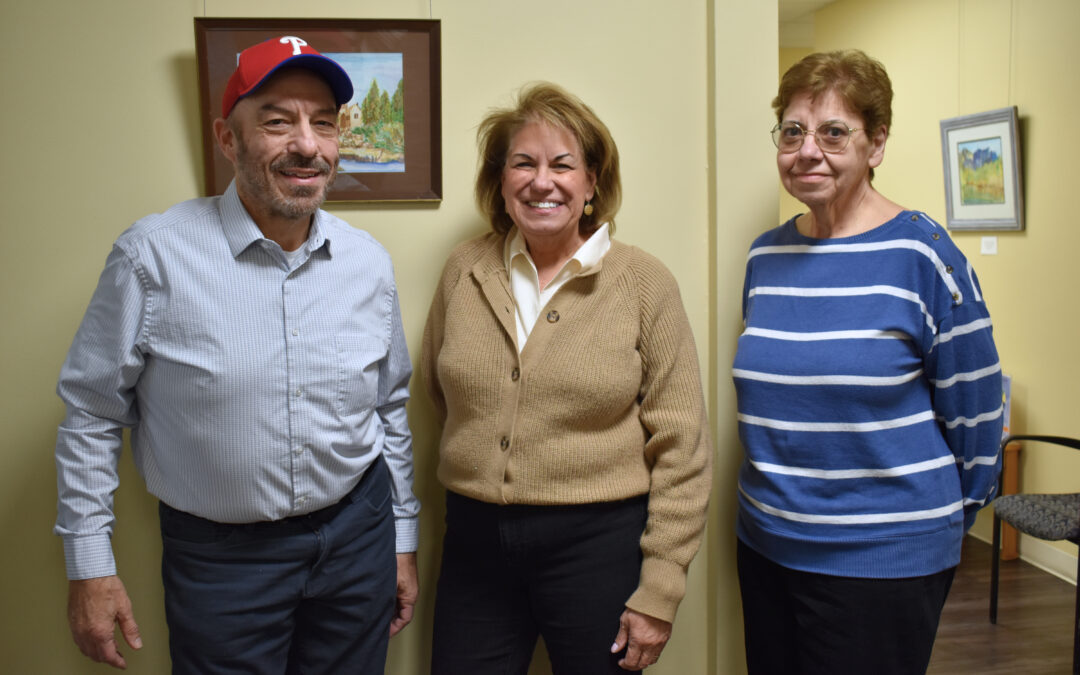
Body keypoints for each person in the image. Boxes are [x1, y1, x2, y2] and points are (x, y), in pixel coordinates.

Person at [54, 36, 419, 673]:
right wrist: (89, 567)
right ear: (228, 138)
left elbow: (389, 409)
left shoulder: (368, 263)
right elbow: (90, 414)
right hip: (222, 562)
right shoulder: (152, 258)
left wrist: (401, 540)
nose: (307, 144)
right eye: (277, 122)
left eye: (324, 124)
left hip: (359, 540)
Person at [421, 82, 712, 674]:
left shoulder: (642, 282)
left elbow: (683, 447)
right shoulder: (463, 271)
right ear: (500, 181)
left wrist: (660, 588)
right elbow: (437, 389)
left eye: (562, 164)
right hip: (474, 541)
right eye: (522, 163)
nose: (541, 181)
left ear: (592, 182)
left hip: (597, 546)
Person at [732, 49, 1003, 675]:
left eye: (834, 133)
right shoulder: (764, 257)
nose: (807, 151)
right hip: (768, 547)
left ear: (876, 144)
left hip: (883, 559)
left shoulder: (922, 254)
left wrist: (927, 525)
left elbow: (978, 415)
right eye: (792, 131)